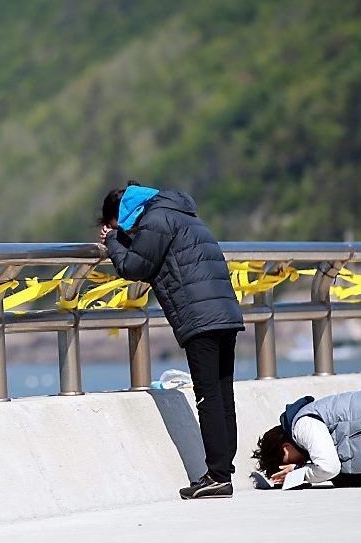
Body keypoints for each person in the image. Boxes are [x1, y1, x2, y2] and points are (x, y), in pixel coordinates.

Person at [98, 181, 245, 499]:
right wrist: (122, 237)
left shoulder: (155, 220)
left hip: (200, 318)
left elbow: (134, 265)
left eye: (119, 224)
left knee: (207, 397)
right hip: (224, 311)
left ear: (123, 214)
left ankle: (218, 476)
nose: (127, 231)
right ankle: (224, 469)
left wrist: (112, 241)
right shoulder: (180, 213)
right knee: (222, 393)